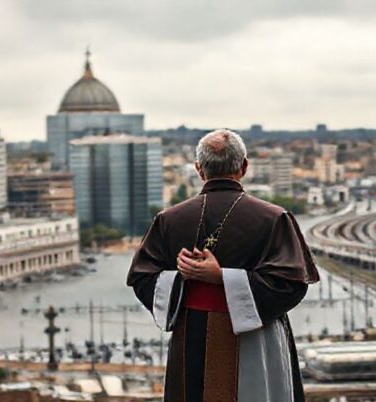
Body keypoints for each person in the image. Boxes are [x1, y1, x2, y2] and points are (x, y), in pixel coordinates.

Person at [127, 129, 319, 402]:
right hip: (256, 337)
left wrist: (193, 278)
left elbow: (142, 277)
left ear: (199, 169)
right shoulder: (275, 218)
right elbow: (290, 285)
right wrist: (227, 280)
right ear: (244, 167)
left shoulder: (168, 220)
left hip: (190, 335)